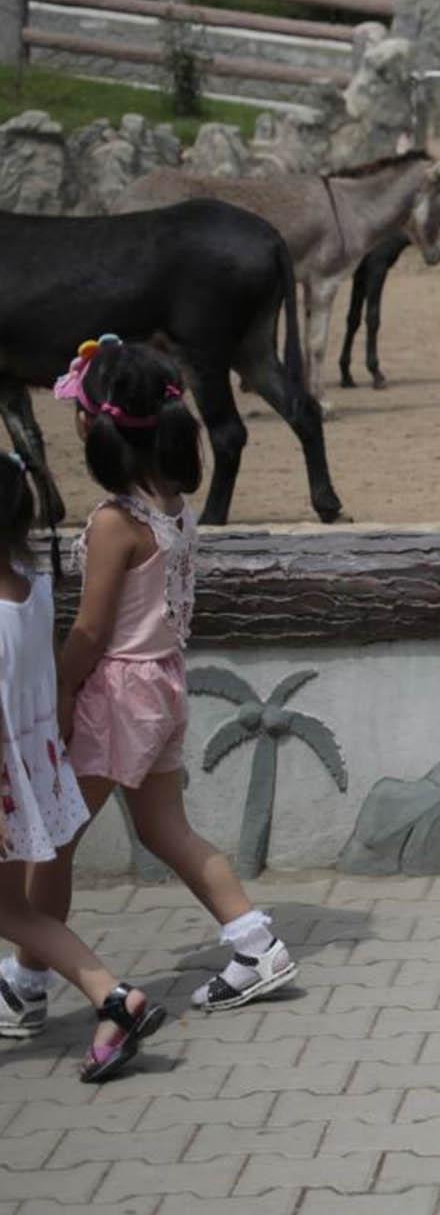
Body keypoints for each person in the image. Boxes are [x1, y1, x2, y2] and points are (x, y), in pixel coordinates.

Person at [5, 338, 295, 1022]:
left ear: (93, 427)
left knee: (54, 844)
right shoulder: (173, 508)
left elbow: (92, 631)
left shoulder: (116, 523)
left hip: (115, 694)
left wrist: (60, 695)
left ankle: (27, 982)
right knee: (167, 828)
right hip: (161, 685)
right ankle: (257, 945)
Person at [0, 450, 166, 1081]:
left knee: (12, 909)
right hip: (29, 770)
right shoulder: (32, 585)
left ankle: (108, 995)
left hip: (6, 779)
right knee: (14, 910)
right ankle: (112, 997)